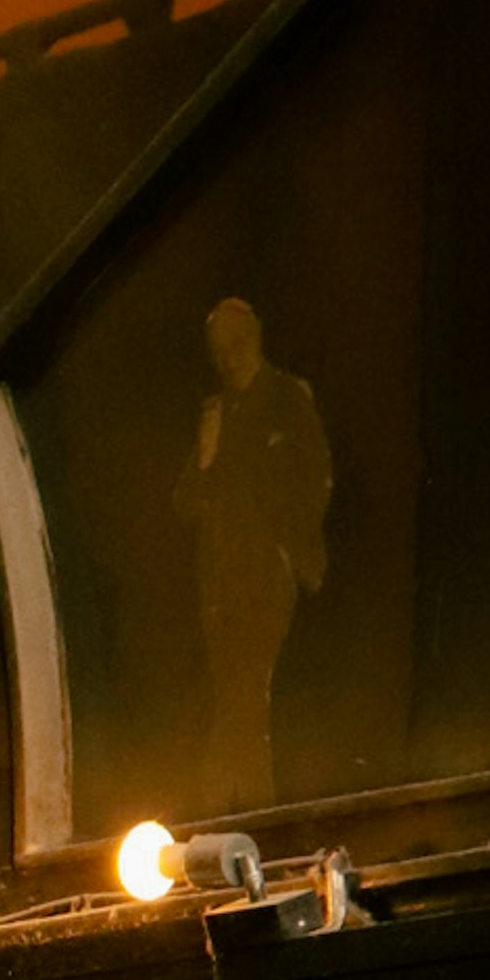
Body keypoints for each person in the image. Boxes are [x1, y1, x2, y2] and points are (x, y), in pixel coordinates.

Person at [178, 295, 331, 807]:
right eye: (220, 345)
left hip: (269, 573)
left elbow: (315, 480)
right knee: (235, 698)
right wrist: (205, 455)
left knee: (252, 696)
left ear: (257, 336)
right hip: (221, 581)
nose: (230, 353)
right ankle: (239, 809)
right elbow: (186, 501)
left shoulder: (289, 398)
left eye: (238, 340)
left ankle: (249, 809)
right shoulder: (215, 416)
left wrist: (289, 550)